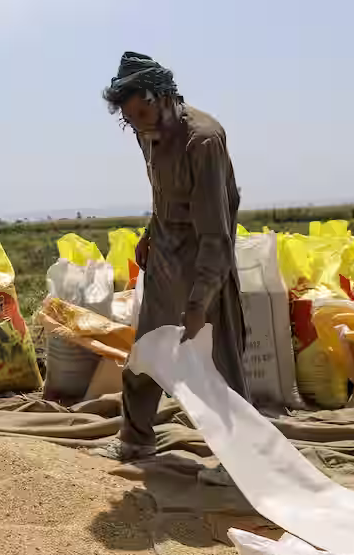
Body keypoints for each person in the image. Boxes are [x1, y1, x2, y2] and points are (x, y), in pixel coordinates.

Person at [101, 51, 249, 461]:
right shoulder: (144, 129)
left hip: (205, 251)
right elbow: (163, 189)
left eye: (144, 112)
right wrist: (152, 230)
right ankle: (136, 440)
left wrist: (200, 300)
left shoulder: (203, 139)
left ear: (163, 95)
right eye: (130, 119)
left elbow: (216, 231)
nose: (139, 124)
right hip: (165, 246)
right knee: (146, 349)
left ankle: (239, 458)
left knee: (220, 361)